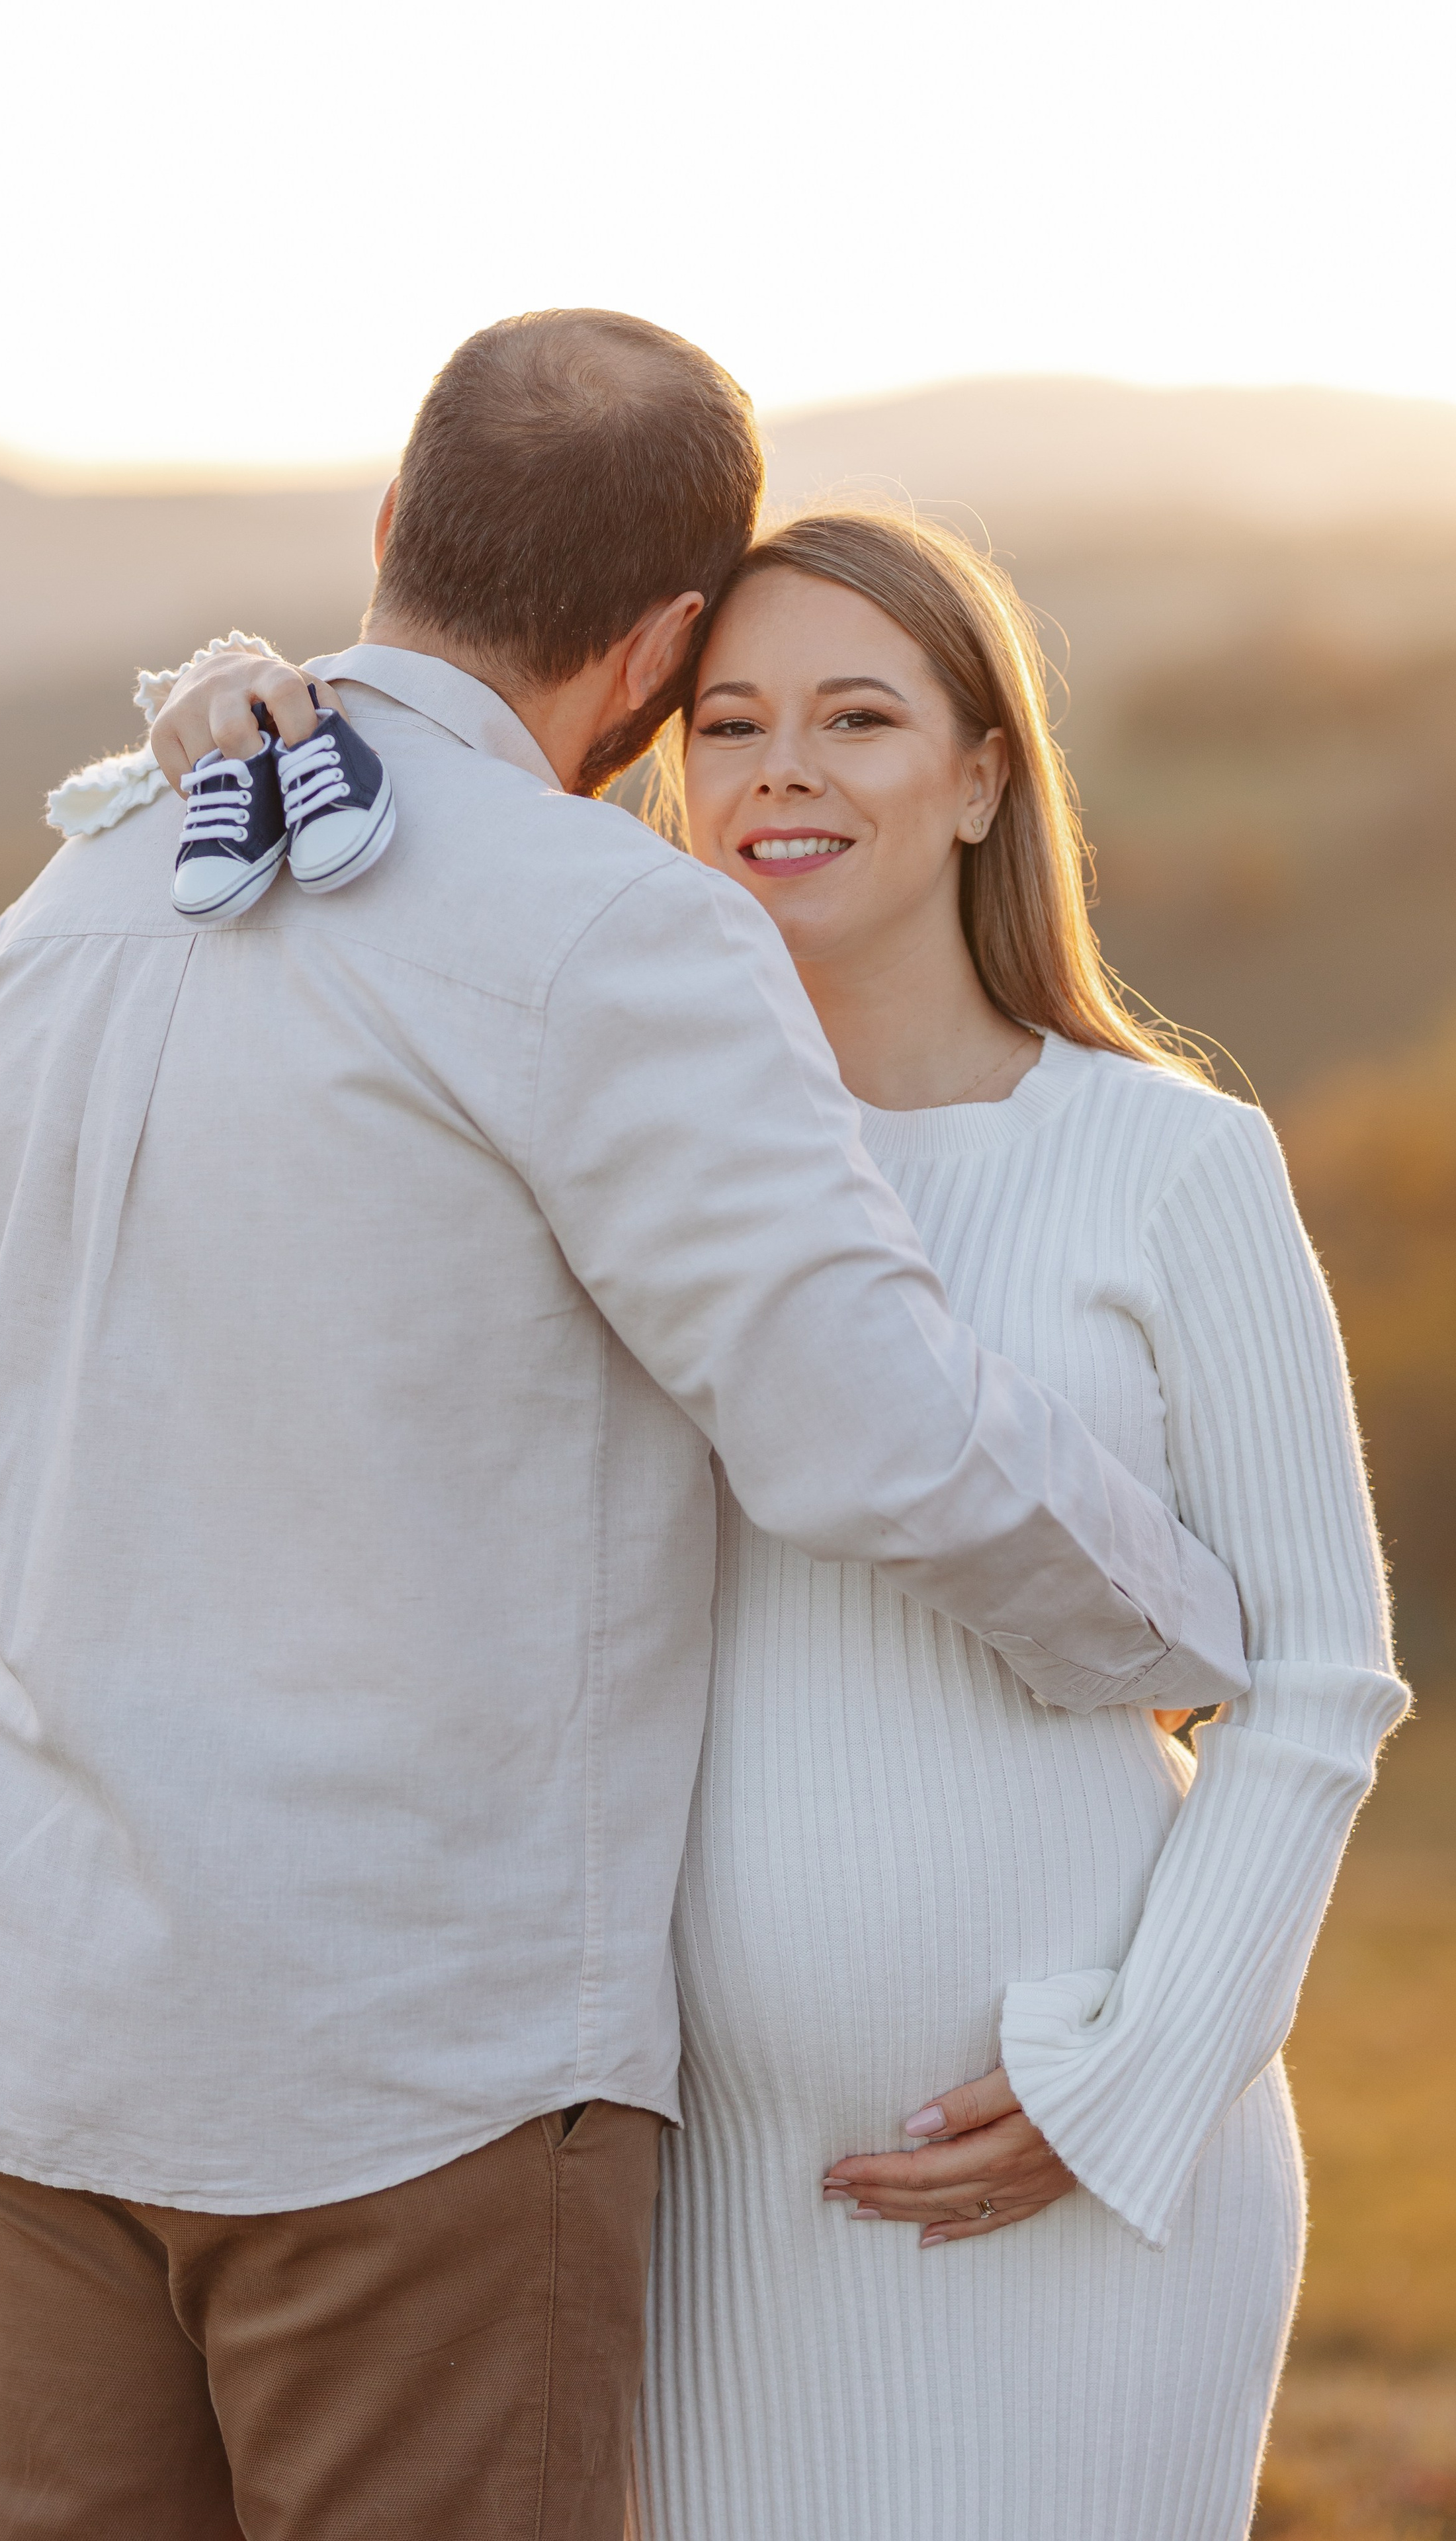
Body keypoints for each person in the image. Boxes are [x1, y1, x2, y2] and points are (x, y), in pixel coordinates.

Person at [0, 311, 1248, 2541]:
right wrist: (1188, 1627)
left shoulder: (86, 889)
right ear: (660, 651)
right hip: (403, 2064)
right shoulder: (613, 929)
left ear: (389, 527)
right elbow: (874, 1428)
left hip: (43, 2019)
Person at [621, 510, 1408, 2541]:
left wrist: (1130, 2076)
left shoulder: (1171, 1160)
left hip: (1085, 2187)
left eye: (857, 717)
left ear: (984, 778)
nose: (782, 769)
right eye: (733, 722)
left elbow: (1322, 1678)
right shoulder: (632, 1167)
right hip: (700, 2178)